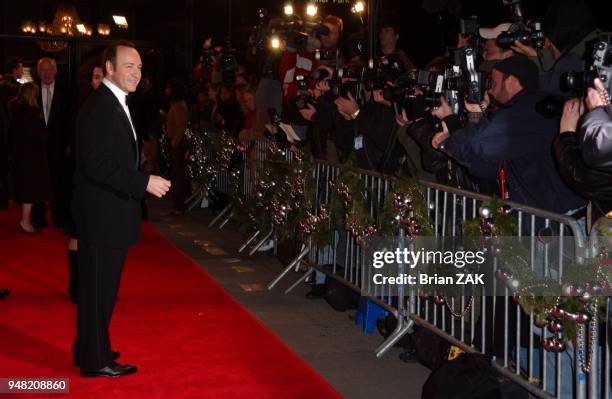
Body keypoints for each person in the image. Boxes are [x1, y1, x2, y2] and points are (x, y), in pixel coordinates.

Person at [72, 41, 171, 377]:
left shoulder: (113, 104)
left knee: (98, 289)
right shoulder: (101, 107)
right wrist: (142, 182)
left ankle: (88, 347)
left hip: (106, 213)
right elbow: (97, 165)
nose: (137, 72)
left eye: (140, 67)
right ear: (110, 68)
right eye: (129, 66)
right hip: (103, 215)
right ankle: (96, 359)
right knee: (100, 291)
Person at [431, 55, 585, 215]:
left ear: (511, 81)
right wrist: (452, 137)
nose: (489, 90)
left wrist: (451, 121)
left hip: (564, 219)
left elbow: (479, 144)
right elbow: (485, 167)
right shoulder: (528, 109)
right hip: (548, 217)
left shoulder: (529, 110)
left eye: (494, 83)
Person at [32, 57, 72, 229]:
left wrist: (70, 143)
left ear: (55, 71)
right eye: (43, 70)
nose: (46, 73)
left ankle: (59, 217)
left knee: (59, 183)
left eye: (49, 70)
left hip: (60, 146)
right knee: (38, 183)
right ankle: (38, 218)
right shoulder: (31, 91)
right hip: (37, 148)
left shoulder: (67, 91)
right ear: (38, 72)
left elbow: (71, 119)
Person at [8, 82, 52, 233]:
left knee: (25, 188)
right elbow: (37, 135)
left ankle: (25, 219)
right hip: (32, 157)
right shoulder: (31, 113)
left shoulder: (15, 110)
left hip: (20, 154)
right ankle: (25, 220)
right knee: (30, 190)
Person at [0, 56, 24, 209]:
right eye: (21, 68)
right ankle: (13, 195)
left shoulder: (1, 86)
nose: (22, 70)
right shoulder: (18, 89)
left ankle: (2, 199)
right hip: (13, 132)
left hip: (2, 131)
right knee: (13, 166)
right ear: (14, 70)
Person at [164, 78, 189, 216]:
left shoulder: (179, 106)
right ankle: (177, 204)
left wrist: (174, 142)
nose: (166, 90)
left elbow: (181, 127)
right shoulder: (176, 105)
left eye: (168, 88)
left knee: (178, 174)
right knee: (176, 174)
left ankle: (179, 205)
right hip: (175, 142)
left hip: (178, 144)